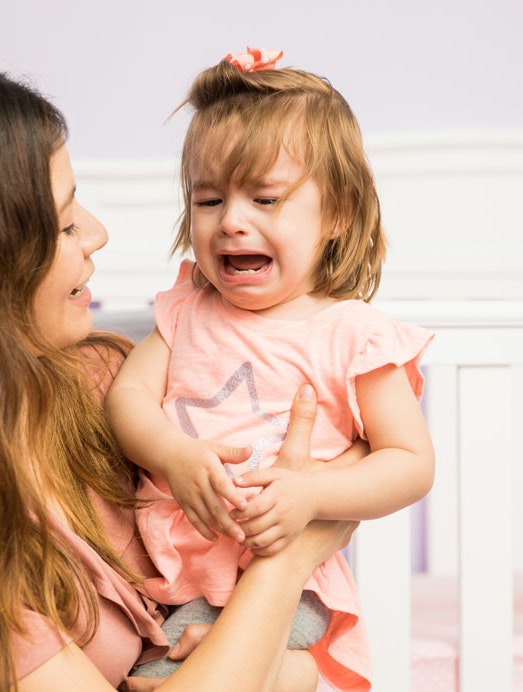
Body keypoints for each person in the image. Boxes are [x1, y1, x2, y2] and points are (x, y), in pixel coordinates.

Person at [0, 70, 360, 692]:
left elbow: (389, 458)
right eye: (63, 224)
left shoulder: (102, 382)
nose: (98, 234)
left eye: (265, 199)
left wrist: (272, 662)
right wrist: (292, 553)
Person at [106, 48, 436, 691]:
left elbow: (410, 462)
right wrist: (172, 452)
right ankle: (289, 673)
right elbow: (129, 396)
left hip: (282, 576)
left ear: (337, 214)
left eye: (265, 198)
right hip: (168, 574)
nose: (232, 222)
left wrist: (313, 495)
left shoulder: (354, 335)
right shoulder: (188, 311)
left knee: (158, 677)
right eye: (208, 200)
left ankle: (285, 665)